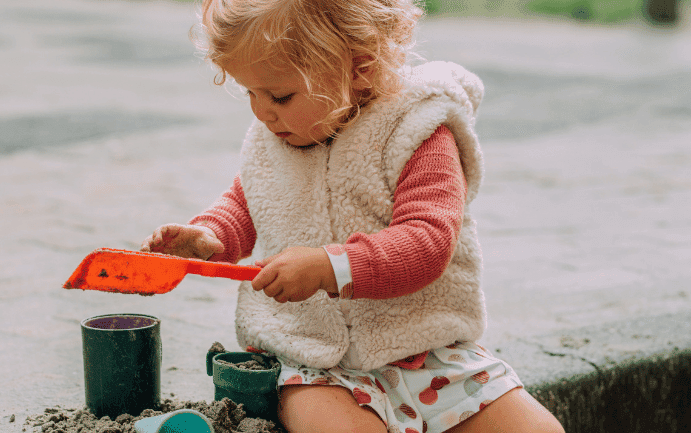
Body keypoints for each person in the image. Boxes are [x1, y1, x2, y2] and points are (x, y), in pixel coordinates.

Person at [141, 0, 566, 432]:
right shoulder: (274, 139)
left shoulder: (418, 128)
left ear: (359, 67)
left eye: (280, 96)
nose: (261, 112)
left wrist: (330, 267)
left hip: (426, 351)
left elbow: (428, 240)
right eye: (249, 92)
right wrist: (208, 236)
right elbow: (244, 203)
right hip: (311, 361)